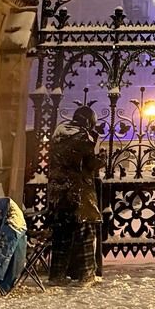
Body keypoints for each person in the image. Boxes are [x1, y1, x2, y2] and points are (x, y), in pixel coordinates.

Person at [47, 105, 103, 286]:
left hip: (59, 193)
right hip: (79, 193)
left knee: (61, 237)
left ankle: (57, 275)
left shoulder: (58, 137)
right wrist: (100, 158)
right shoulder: (84, 137)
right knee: (85, 235)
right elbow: (89, 164)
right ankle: (87, 275)